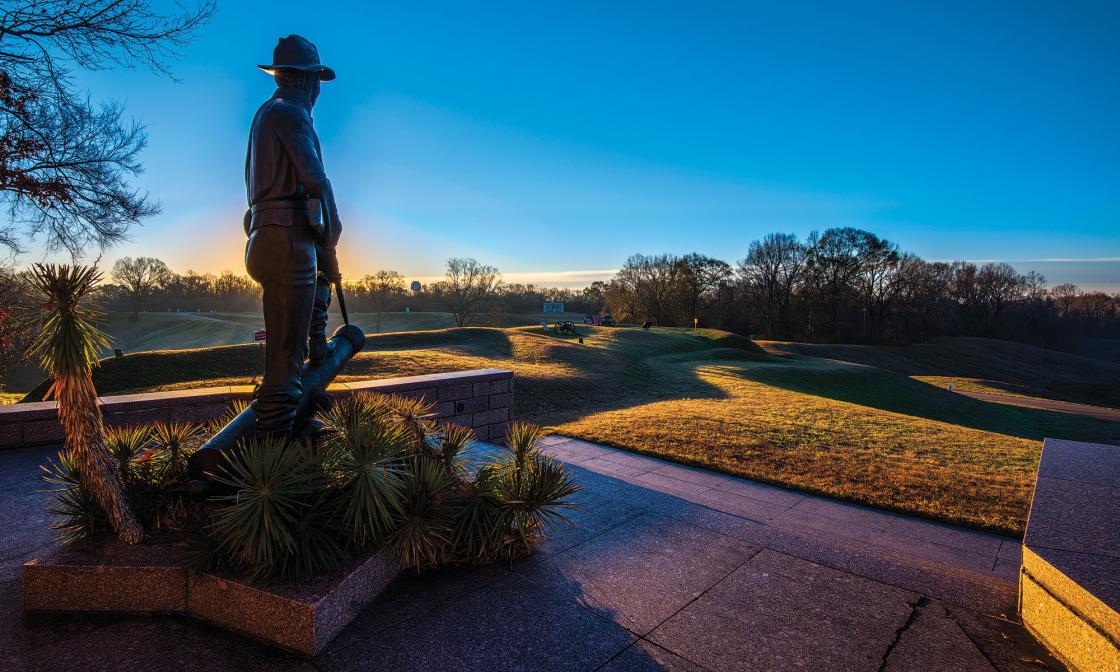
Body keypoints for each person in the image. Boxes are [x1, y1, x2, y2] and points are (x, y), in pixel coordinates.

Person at [244, 34, 342, 434]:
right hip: (287, 241)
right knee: (285, 355)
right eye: (316, 80)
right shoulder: (290, 113)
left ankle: (316, 346)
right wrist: (332, 239)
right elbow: (317, 182)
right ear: (304, 80)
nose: (319, 89)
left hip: (265, 237)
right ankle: (278, 441)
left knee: (291, 344)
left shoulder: (265, 114)